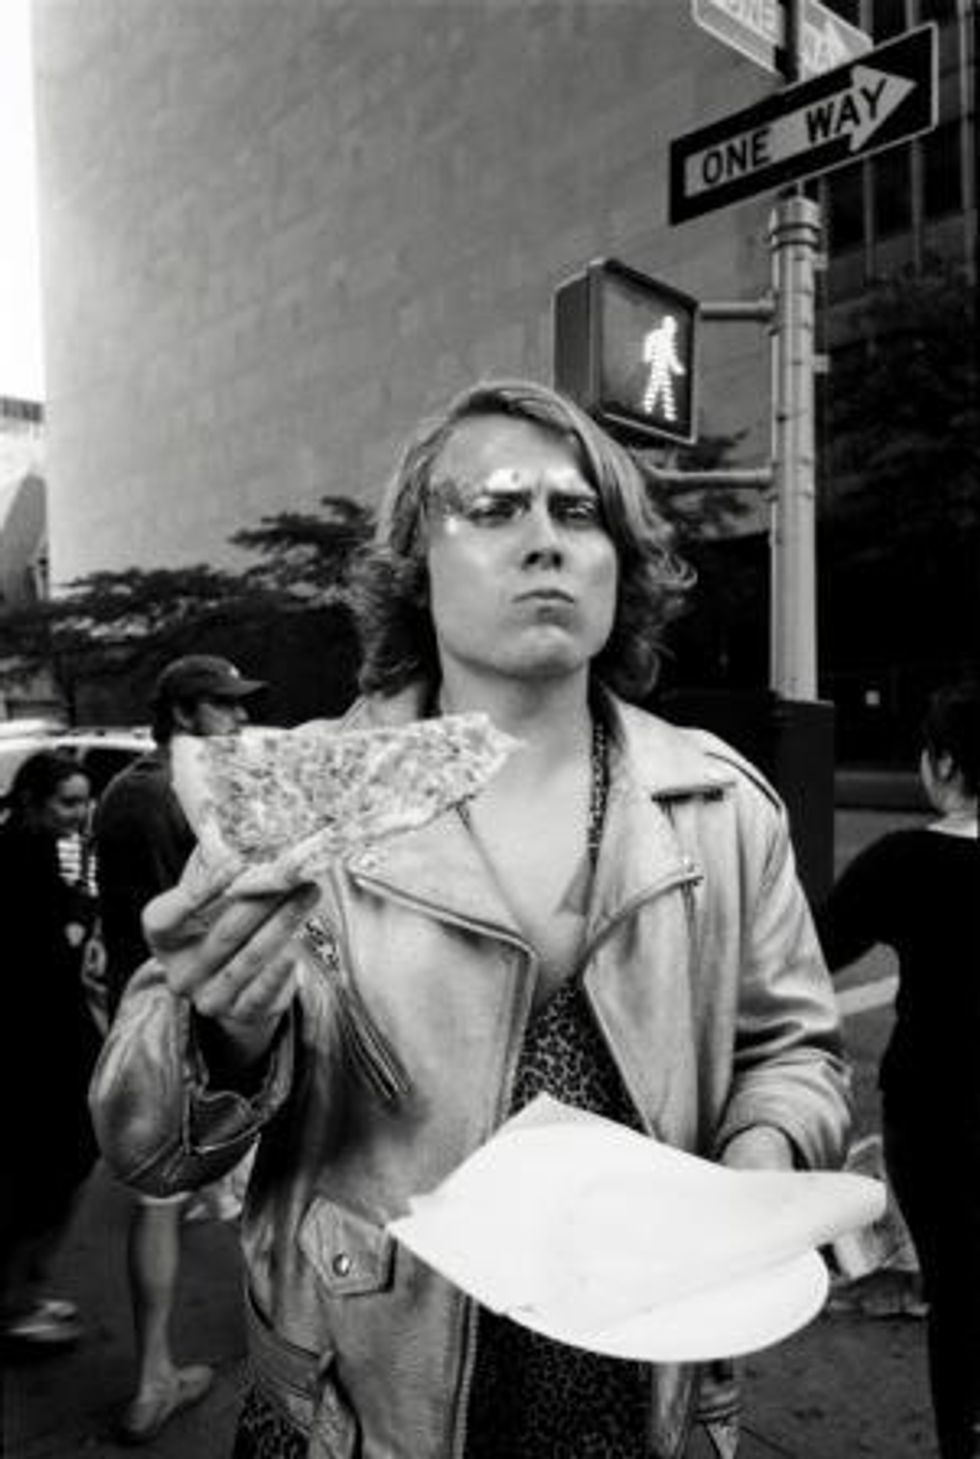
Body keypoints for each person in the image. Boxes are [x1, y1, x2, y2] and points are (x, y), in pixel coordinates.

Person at [92, 379, 851, 1459]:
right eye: (493, 508)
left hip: (644, 1399)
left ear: (619, 560)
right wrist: (219, 1032)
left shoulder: (722, 806)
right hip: (356, 1415)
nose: (545, 538)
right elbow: (147, 1151)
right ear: (418, 563)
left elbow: (792, 1050)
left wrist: (762, 1157)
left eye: (576, 510)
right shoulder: (306, 797)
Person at [94, 653, 265, 1443]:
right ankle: (293, 1335)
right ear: (185, 713)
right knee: (265, 1186)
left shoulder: (124, 790)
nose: (239, 717)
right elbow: (211, 913)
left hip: (141, 1017)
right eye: (224, 705)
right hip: (199, 1019)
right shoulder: (180, 794)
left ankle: (153, 1377)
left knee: (157, 1198)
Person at [817, 680, 980, 1459]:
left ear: (943, 763)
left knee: (959, 1288)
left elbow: (811, 952)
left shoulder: (905, 862)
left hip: (936, 1105)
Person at [0, 751, 100, 1350]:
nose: (80, 813)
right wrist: (78, 918)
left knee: (46, 1169)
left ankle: (23, 1296)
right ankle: (15, 1306)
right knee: (48, 1170)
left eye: (84, 801)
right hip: (37, 1044)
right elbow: (46, 952)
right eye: (68, 802)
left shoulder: (32, 845)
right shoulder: (24, 853)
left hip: (40, 1037)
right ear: (33, 801)